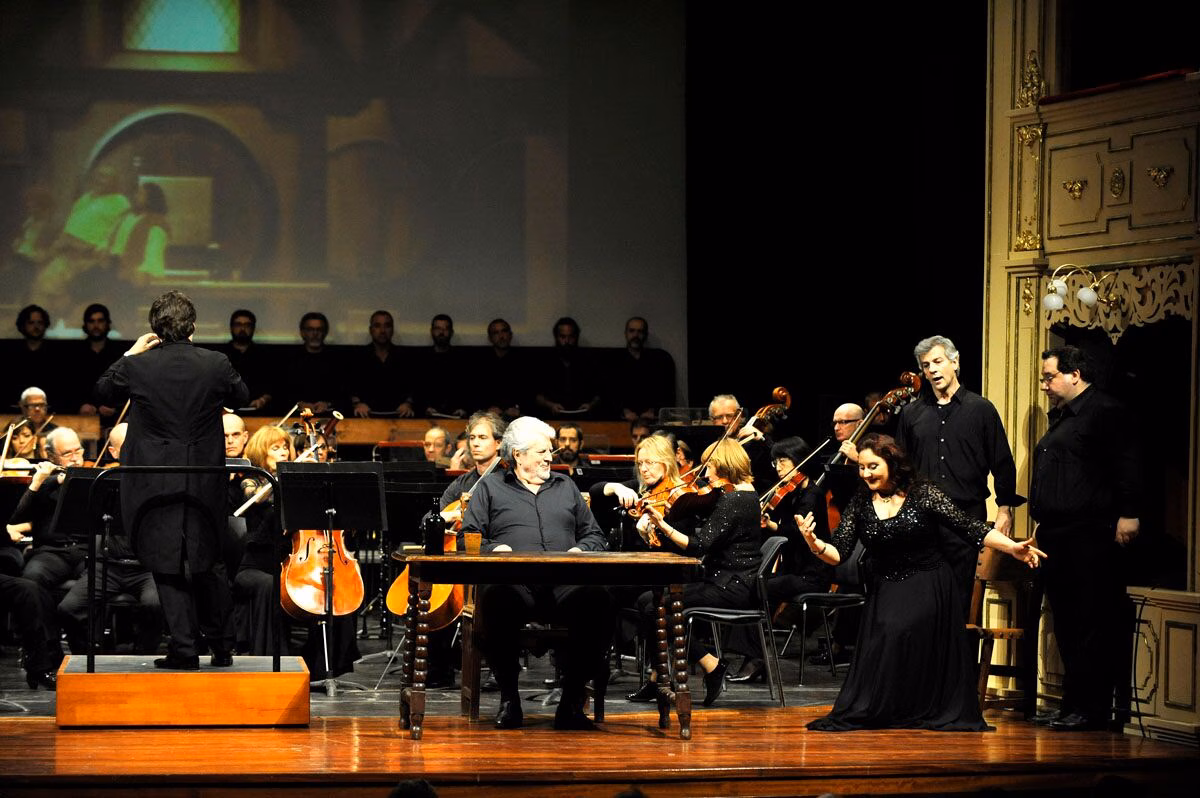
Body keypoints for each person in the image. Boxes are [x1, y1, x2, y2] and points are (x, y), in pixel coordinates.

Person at [797, 433, 1044, 731]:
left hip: (928, 580)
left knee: (901, 629)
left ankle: (915, 707)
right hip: (886, 584)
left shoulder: (922, 493)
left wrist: (1012, 547)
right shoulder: (861, 501)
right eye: (861, 468)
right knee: (886, 633)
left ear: (891, 462)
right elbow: (838, 553)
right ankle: (895, 708)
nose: (866, 473)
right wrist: (814, 544)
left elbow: (970, 527)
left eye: (873, 466)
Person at [94, 290, 249, 670]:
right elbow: (241, 397)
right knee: (207, 559)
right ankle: (223, 646)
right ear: (192, 327)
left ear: (154, 329)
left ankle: (184, 649)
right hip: (202, 478)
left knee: (165, 562)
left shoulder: (138, 365)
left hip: (153, 480)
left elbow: (103, 393)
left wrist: (131, 353)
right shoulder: (216, 363)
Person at [460, 416, 614, 730]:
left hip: (564, 583)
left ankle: (570, 705)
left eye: (549, 451)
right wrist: (495, 550)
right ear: (517, 455)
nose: (549, 457)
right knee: (497, 599)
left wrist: (581, 550)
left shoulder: (566, 486)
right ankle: (510, 701)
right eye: (541, 451)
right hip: (514, 583)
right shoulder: (490, 487)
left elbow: (595, 535)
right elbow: (468, 537)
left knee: (600, 600)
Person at [1029, 345, 1140, 732]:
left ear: (1075, 374)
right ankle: (1072, 705)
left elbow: (1126, 463)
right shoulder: (1063, 417)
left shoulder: (1104, 411)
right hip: (1059, 535)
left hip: (1090, 533)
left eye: (1049, 376)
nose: (1044, 384)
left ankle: (1090, 709)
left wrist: (1129, 513)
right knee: (1067, 622)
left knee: (1089, 621)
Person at [896, 335, 1023, 613]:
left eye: (938, 362)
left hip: (965, 517)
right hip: (922, 519)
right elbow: (900, 467)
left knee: (959, 599)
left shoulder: (981, 410)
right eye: (926, 365)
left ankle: (958, 657)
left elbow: (1002, 462)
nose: (932, 370)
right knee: (921, 601)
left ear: (955, 362)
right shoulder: (911, 414)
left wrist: (1004, 509)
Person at [633, 438, 763, 707]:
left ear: (724, 465)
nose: (705, 473)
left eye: (710, 465)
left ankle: (710, 664)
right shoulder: (741, 494)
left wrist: (662, 525)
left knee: (653, 606)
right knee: (649, 601)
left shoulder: (735, 500)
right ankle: (660, 677)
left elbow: (699, 545)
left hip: (731, 586)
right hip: (726, 580)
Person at [727, 436, 834, 683]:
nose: (777, 467)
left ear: (798, 461)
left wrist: (774, 524)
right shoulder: (789, 493)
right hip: (793, 571)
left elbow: (799, 534)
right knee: (750, 587)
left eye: (783, 461)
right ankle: (754, 657)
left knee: (758, 587)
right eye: (776, 461)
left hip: (812, 574)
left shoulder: (813, 494)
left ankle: (754, 659)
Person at [56, 421, 162, 655]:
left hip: (146, 567)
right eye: (126, 446)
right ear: (113, 452)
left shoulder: (157, 479)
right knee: (68, 608)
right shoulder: (101, 480)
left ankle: (143, 656)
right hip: (107, 565)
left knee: (155, 605)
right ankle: (87, 655)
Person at [8, 426, 88, 591]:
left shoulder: (92, 480)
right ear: (50, 456)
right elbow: (17, 518)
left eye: (78, 451)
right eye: (67, 454)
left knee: (101, 580)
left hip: (85, 552)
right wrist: (41, 482)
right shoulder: (42, 482)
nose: (75, 458)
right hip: (51, 553)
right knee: (31, 580)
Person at [349, 310, 415, 419]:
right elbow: (349, 386)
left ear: (392, 330)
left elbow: (414, 386)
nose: (383, 331)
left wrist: (408, 403)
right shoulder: (358, 357)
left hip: (399, 417)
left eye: (387, 326)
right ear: (371, 330)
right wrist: (357, 403)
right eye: (377, 326)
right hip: (365, 417)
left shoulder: (405, 357)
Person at [610, 316, 675, 423]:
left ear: (645, 335)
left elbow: (662, 390)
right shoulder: (615, 362)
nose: (635, 335)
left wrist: (653, 410)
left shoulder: (657, 361)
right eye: (632, 331)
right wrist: (625, 411)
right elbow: (612, 391)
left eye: (640, 331)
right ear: (626, 333)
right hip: (623, 418)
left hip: (651, 418)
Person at [535, 317, 600, 418]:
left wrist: (590, 405)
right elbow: (537, 395)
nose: (567, 341)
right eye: (563, 337)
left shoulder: (588, 362)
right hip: (552, 417)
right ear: (556, 337)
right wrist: (550, 405)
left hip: (583, 417)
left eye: (571, 337)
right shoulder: (546, 362)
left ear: (576, 338)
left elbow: (599, 393)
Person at [709, 393, 775, 489]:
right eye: (719, 417)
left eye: (729, 416)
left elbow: (777, 460)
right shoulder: (709, 444)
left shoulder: (753, 440)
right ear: (712, 420)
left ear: (739, 416)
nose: (724, 421)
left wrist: (762, 438)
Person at [68, 304, 123, 419]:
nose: (96, 325)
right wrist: (80, 405)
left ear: (107, 323)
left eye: (100, 321)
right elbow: (69, 385)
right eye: (91, 321)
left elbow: (124, 385)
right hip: (82, 417)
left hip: (112, 417)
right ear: (86, 324)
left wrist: (116, 409)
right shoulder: (74, 354)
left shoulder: (118, 353)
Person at [281, 312, 342, 415]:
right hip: (295, 417)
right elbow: (282, 392)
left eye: (319, 329)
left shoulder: (337, 361)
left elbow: (343, 392)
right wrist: (299, 404)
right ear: (302, 332)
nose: (315, 333)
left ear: (325, 332)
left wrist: (328, 404)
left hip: (328, 416)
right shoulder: (289, 360)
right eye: (310, 329)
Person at [109, 181, 169, 282]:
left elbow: (154, 251)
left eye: (141, 194)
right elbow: (112, 237)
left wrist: (142, 271)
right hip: (113, 264)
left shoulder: (156, 222)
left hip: (134, 271)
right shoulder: (127, 216)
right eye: (137, 193)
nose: (136, 196)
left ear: (151, 199)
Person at [217, 309, 274, 413]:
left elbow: (273, 385)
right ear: (231, 327)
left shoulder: (265, 355)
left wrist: (263, 399)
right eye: (238, 324)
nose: (242, 328)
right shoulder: (220, 355)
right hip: (226, 412)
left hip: (260, 412)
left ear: (253, 328)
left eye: (247, 325)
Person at [415, 314, 467, 419]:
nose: (441, 333)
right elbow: (417, 388)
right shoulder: (421, 359)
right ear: (431, 331)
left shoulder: (461, 360)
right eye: (438, 328)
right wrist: (424, 407)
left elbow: (467, 388)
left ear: (451, 332)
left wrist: (464, 408)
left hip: (456, 415)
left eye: (445, 329)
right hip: (427, 415)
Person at [475, 318, 525, 419]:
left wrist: (518, 408)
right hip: (488, 417)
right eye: (496, 333)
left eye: (504, 331)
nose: (501, 336)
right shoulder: (480, 363)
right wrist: (487, 409)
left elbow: (528, 391)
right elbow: (475, 391)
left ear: (510, 335)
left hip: (516, 416)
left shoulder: (523, 361)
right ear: (490, 338)